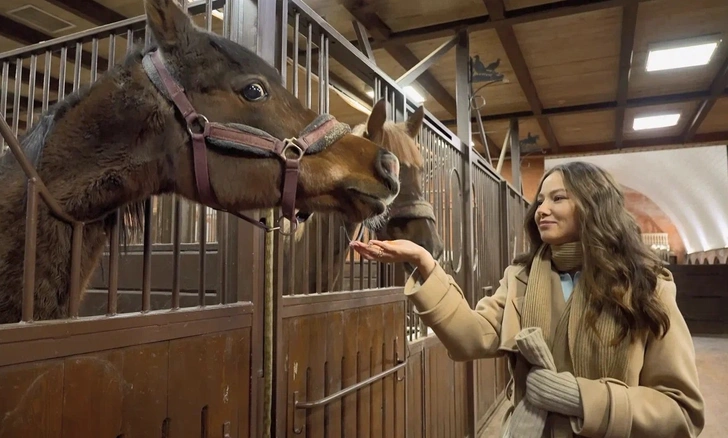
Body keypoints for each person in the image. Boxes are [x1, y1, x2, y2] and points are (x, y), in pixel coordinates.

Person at [350, 161, 704, 437]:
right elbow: (470, 337)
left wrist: (583, 400)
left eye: (558, 198)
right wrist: (424, 263)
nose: (541, 209)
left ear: (595, 205)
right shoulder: (520, 279)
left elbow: (681, 410)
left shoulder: (647, 286)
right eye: (540, 200)